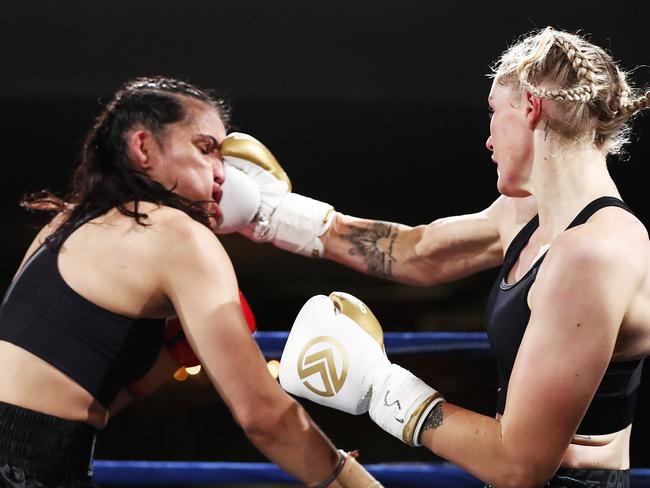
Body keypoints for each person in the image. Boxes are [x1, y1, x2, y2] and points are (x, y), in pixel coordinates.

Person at [219, 27, 650, 487]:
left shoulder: (594, 253)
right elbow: (417, 253)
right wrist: (275, 214)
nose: (487, 138)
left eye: (493, 112)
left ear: (530, 107)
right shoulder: (529, 214)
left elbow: (519, 465)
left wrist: (382, 387)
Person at [0, 77, 383, 487]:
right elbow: (263, 415)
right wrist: (350, 478)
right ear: (144, 147)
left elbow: (83, 389)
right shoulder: (178, 235)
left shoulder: (65, 222)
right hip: (29, 461)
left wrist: (171, 353)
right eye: (205, 149)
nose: (223, 173)